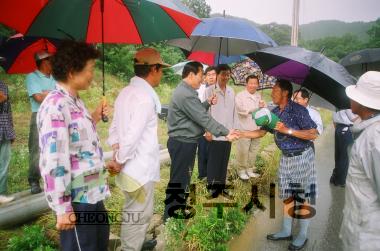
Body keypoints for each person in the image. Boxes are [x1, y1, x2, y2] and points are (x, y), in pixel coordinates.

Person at [37, 41, 110, 251]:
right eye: (90, 70)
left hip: (93, 192)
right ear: (71, 72)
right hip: (76, 200)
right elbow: (54, 160)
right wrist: (62, 207)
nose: (92, 75)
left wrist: (94, 116)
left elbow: (76, 139)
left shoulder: (75, 101)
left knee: (98, 245)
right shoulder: (55, 106)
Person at [240, 79, 318, 250]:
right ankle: (286, 230)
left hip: (302, 156)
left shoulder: (299, 110)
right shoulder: (274, 111)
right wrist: (241, 133)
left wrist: (287, 130)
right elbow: (261, 132)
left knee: (303, 195)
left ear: (285, 92)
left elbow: (313, 134)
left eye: (275, 90)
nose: (272, 93)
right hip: (286, 157)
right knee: (287, 194)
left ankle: (303, 234)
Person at [106, 48, 169, 251]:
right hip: (138, 168)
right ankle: (130, 248)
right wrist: (120, 158)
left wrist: (116, 151)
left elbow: (115, 127)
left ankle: (134, 244)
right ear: (153, 69)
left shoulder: (126, 92)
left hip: (129, 167)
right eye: (161, 70)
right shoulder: (144, 98)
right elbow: (132, 136)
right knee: (139, 214)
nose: (161, 74)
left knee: (133, 210)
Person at [164, 61, 237, 221]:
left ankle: (178, 210)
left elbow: (195, 112)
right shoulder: (185, 94)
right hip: (182, 143)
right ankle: (171, 216)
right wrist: (226, 132)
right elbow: (202, 118)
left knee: (183, 179)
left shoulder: (188, 92)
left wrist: (207, 103)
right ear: (191, 75)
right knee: (179, 180)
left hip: (186, 142)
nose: (203, 79)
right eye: (201, 75)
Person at [340, 71, 380, 251]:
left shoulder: (375, 138)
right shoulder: (368, 130)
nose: (351, 100)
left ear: (364, 102)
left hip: (369, 238)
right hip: (359, 227)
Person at [204, 64, 239, 198]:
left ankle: (222, 187)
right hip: (215, 132)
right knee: (214, 161)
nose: (225, 77)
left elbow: (234, 111)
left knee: (224, 161)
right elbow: (205, 113)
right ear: (217, 75)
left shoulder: (231, 91)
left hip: (228, 133)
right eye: (223, 74)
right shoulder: (209, 91)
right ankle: (212, 188)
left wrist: (234, 129)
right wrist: (207, 130)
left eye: (227, 74)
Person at [26, 50, 56, 194]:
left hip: (54, 115)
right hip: (38, 115)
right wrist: (54, 93)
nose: (53, 63)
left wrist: (46, 92)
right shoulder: (32, 77)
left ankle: (52, 178)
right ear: (44, 62)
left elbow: (63, 93)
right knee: (36, 148)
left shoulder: (55, 77)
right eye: (50, 60)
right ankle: (33, 180)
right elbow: (38, 97)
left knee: (54, 147)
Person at [235, 74, 265, 181]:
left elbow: (263, 112)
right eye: (251, 83)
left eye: (255, 83)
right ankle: (241, 170)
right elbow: (241, 111)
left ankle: (250, 169)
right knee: (243, 150)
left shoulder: (259, 96)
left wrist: (263, 106)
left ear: (258, 84)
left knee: (254, 150)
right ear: (246, 84)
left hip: (257, 129)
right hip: (244, 128)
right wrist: (257, 107)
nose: (253, 85)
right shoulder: (240, 96)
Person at [196, 66, 217, 180]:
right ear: (205, 77)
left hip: (216, 127)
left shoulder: (219, 90)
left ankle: (212, 175)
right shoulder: (200, 90)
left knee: (213, 152)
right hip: (204, 128)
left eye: (213, 74)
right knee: (203, 152)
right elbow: (199, 112)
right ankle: (202, 175)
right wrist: (206, 131)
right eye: (209, 75)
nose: (211, 77)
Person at [330, 109, 358, 187]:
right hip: (346, 129)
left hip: (339, 128)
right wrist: (362, 114)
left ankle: (335, 178)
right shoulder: (347, 103)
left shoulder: (339, 103)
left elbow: (334, 119)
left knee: (338, 155)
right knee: (344, 157)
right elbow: (352, 118)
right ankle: (341, 181)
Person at [0, 79, 15, 204]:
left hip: (5, 130)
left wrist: (11, 130)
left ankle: (1, 193)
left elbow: (8, 110)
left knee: (4, 164)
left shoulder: (3, 85)